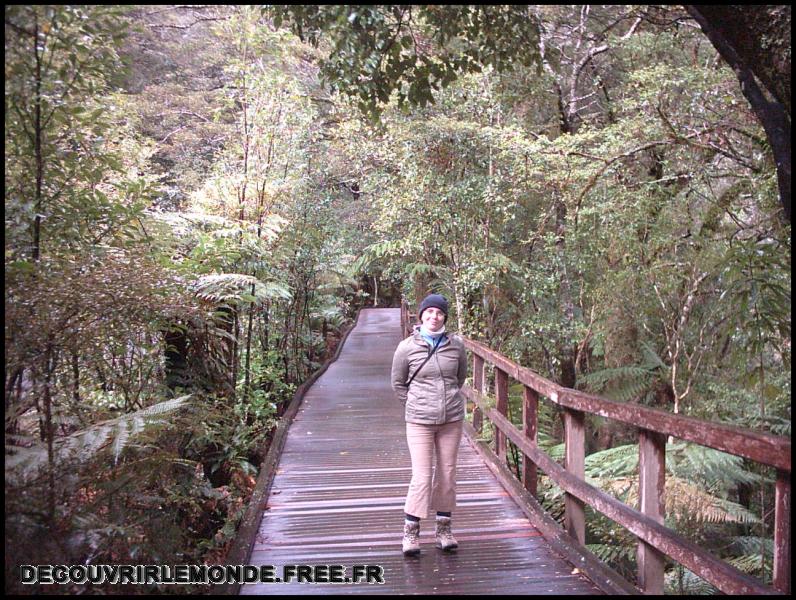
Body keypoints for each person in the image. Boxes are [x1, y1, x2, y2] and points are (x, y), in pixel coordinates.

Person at [391, 293, 468, 556]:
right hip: (419, 421)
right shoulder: (406, 347)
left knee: (447, 474)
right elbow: (398, 384)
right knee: (422, 476)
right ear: (421, 314)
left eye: (439, 313)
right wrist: (415, 404)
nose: (434, 317)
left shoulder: (456, 346)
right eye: (429, 312)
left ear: (445, 316)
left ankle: (444, 530)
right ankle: (411, 533)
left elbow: (460, 378)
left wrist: (447, 401)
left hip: (451, 420)